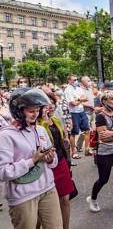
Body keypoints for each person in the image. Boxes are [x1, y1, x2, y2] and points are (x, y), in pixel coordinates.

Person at [0, 88, 62, 229]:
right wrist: (31, 160)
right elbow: (2, 172)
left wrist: (50, 158)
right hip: (23, 197)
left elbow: (53, 163)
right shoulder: (6, 136)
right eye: (31, 111)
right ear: (19, 111)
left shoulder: (40, 130)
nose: (35, 114)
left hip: (48, 189)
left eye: (37, 110)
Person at [38, 92, 74, 229]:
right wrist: (43, 119)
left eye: (52, 103)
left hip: (61, 162)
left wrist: (68, 154)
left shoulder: (57, 120)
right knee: (43, 204)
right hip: (46, 166)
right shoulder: (37, 124)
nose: (50, 107)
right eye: (46, 104)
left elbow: (63, 140)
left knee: (65, 199)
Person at [64, 75, 91, 158]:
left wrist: (78, 99)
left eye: (76, 79)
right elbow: (73, 103)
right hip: (73, 113)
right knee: (73, 133)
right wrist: (80, 99)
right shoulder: (68, 90)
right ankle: (74, 152)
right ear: (69, 80)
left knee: (87, 130)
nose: (76, 81)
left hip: (82, 111)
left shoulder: (78, 88)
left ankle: (87, 149)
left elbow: (86, 98)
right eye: (74, 80)